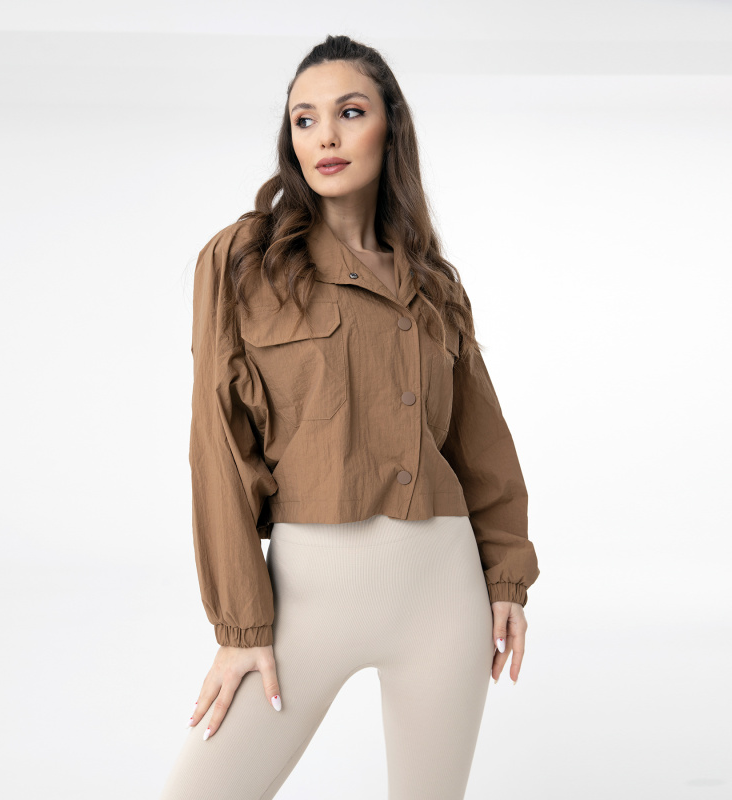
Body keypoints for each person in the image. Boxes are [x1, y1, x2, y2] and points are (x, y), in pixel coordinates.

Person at [158, 34, 540, 800]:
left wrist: (506, 578)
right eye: (304, 119)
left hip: (444, 597)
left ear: (390, 127)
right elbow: (217, 446)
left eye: (350, 112)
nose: (325, 136)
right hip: (306, 600)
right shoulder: (243, 261)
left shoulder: (434, 283)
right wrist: (240, 627)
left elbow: (482, 444)